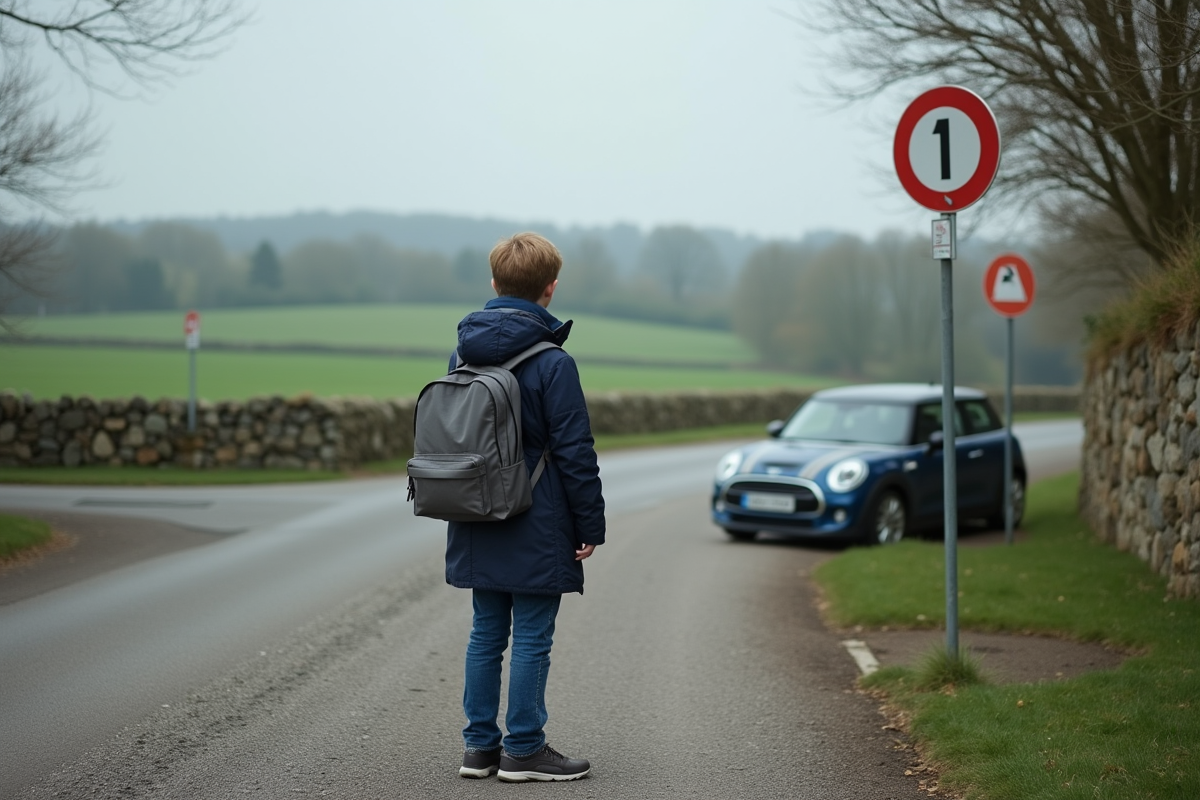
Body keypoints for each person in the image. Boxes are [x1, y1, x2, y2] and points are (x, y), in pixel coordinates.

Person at [447, 232, 606, 782]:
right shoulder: (553, 362)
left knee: (486, 632)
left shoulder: (462, 352)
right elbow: (575, 451)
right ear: (550, 288)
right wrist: (589, 524)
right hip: (538, 517)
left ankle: (478, 749)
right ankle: (524, 750)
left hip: (475, 510)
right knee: (533, 634)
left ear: (494, 283)